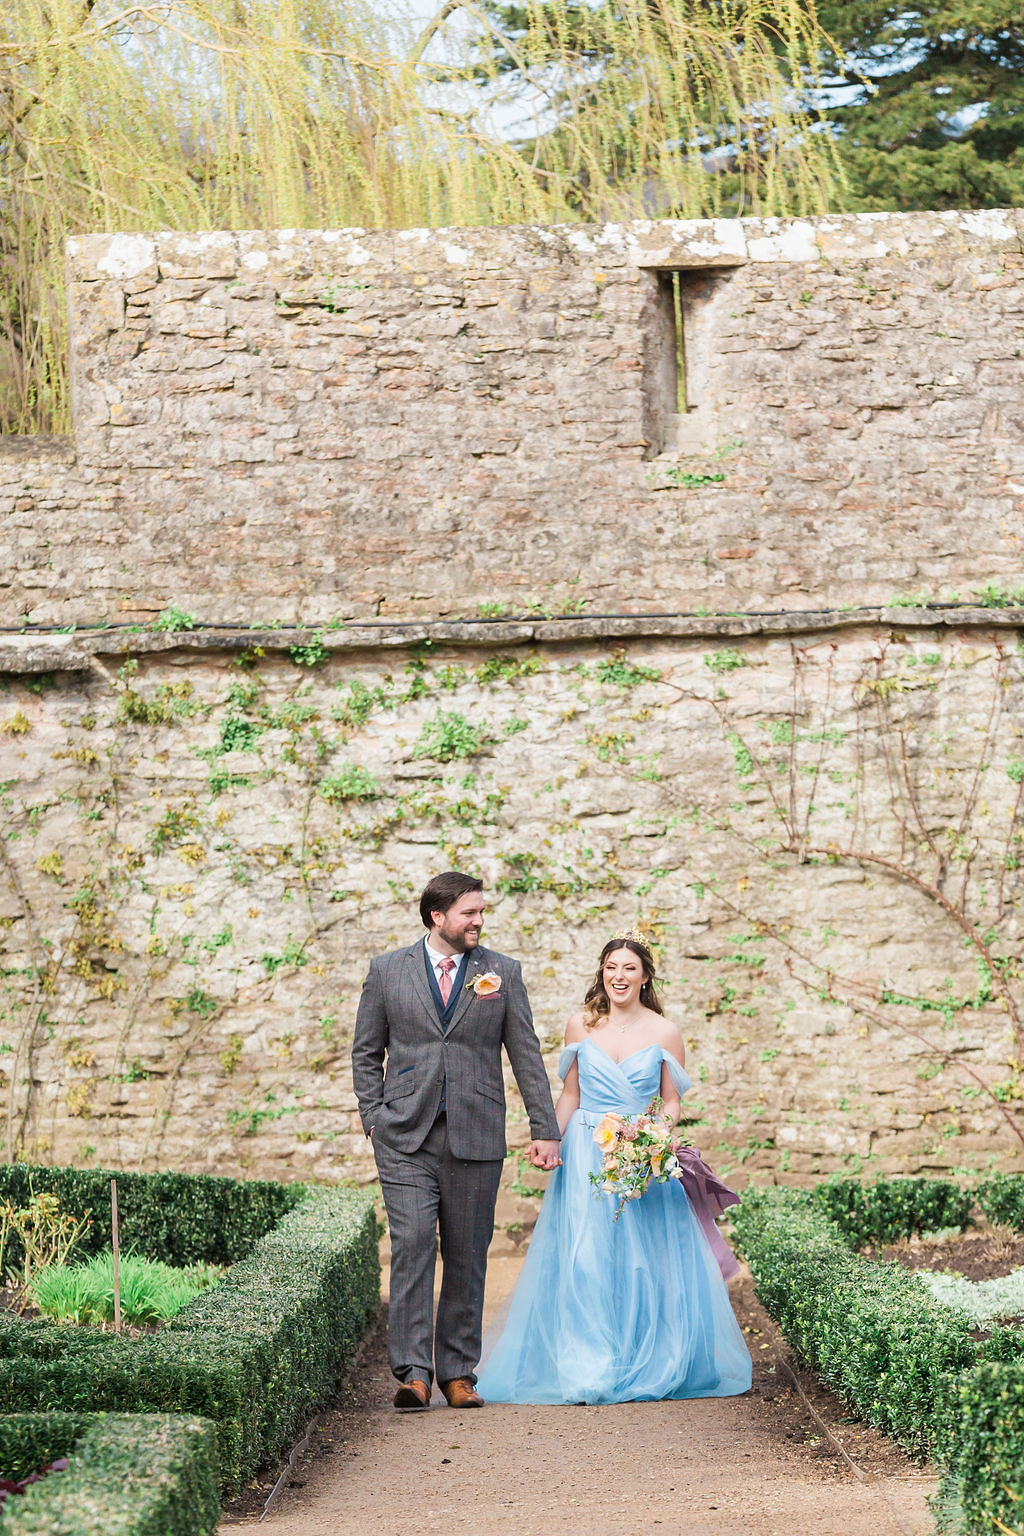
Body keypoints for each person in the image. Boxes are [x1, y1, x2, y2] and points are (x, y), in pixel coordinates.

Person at [476, 929, 752, 1404]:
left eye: (629, 968)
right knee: (587, 1259)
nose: (618, 976)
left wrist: (652, 1142)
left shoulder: (665, 1033)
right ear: (601, 972)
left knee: (646, 1263)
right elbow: (571, 1095)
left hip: (640, 1154)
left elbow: (669, 1102)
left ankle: (651, 1359)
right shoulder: (580, 1025)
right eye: (610, 967)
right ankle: (591, 1365)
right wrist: (549, 1141)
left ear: (645, 977)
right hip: (586, 1152)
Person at [352, 870, 561, 1411]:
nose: (479, 921)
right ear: (436, 917)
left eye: (481, 912)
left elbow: (526, 1054)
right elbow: (365, 1050)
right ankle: (414, 1372)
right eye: (469, 913)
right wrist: (373, 1115)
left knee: (468, 1255)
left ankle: (458, 1373)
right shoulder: (386, 971)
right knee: (414, 1244)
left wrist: (545, 1128)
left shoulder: (501, 973)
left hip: (476, 1133)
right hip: (403, 1134)